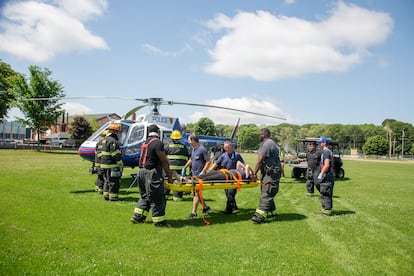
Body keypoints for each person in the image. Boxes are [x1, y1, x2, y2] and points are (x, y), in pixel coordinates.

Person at [130, 124, 172, 227]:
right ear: (158, 132)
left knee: (145, 196)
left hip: (141, 171)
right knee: (157, 197)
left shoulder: (145, 143)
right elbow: (163, 161)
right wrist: (169, 176)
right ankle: (159, 222)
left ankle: (137, 217)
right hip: (151, 172)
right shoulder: (158, 143)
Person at [251, 128, 282, 224]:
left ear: (263, 135)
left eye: (259, 134)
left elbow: (260, 161)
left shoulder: (267, 144)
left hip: (272, 173)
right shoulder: (270, 143)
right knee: (266, 190)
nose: (258, 136)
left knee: (267, 192)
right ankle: (272, 211)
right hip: (270, 172)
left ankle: (260, 216)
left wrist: (253, 174)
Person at [210, 140, 245, 214]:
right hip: (225, 177)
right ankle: (234, 206)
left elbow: (243, 164)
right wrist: (210, 172)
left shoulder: (237, 155)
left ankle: (228, 210)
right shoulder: (223, 155)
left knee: (230, 193)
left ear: (231, 147)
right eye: (225, 147)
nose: (227, 149)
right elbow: (216, 163)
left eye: (228, 147)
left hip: (234, 178)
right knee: (227, 193)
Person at [182, 133, 211, 218]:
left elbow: (208, 161)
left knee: (196, 193)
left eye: (189, 140)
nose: (188, 142)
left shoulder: (202, 149)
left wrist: (203, 172)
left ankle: (193, 213)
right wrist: (185, 167)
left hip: (200, 176)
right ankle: (205, 207)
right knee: (196, 192)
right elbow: (191, 159)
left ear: (193, 140)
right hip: (194, 174)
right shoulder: (193, 149)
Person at [164, 130, 189, 201]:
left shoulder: (167, 146)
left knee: (167, 182)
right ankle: (177, 197)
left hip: (168, 170)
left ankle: (165, 195)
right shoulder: (184, 147)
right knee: (179, 182)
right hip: (180, 170)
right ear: (180, 138)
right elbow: (189, 157)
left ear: (171, 138)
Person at [101, 124, 123, 201]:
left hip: (104, 165)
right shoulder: (113, 141)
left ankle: (106, 195)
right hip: (112, 165)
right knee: (114, 182)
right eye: (117, 131)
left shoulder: (105, 140)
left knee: (107, 181)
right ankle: (113, 197)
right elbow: (115, 154)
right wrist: (120, 163)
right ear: (114, 131)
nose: (118, 133)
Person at [316, 137, 335, 216]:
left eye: (321, 142)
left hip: (326, 174)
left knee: (325, 192)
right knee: (326, 191)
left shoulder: (326, 152)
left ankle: (326, 211)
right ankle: (327, 209)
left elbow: (326, 164)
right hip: (329, 174)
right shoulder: (328, 151)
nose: (320, 144)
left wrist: (321, 173)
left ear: (324, 143)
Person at [94, 129, 109, 194]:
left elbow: (96, 152)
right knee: (103, 177)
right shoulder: (104, 142)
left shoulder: (98, 142)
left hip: (97, 161)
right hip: (102, 161)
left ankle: (97, 188)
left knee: (99, 176)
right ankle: (100, 189)